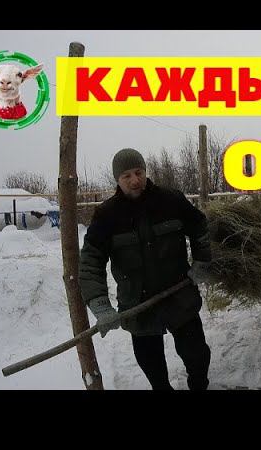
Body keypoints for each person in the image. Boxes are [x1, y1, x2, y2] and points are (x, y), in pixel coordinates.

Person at [79, 148, 214, 390]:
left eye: (138, 172)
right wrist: (99, 304)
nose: (135, 180)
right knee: (152, 366)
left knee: (197, 355)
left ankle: (199, 386)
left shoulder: (171, 200)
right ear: (118, 180)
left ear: (145, 171)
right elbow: (91, 260)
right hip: (137, 304)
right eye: (126, 176)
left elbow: (199, 227)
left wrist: (202, 261)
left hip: (179, 295)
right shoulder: (107, 215)